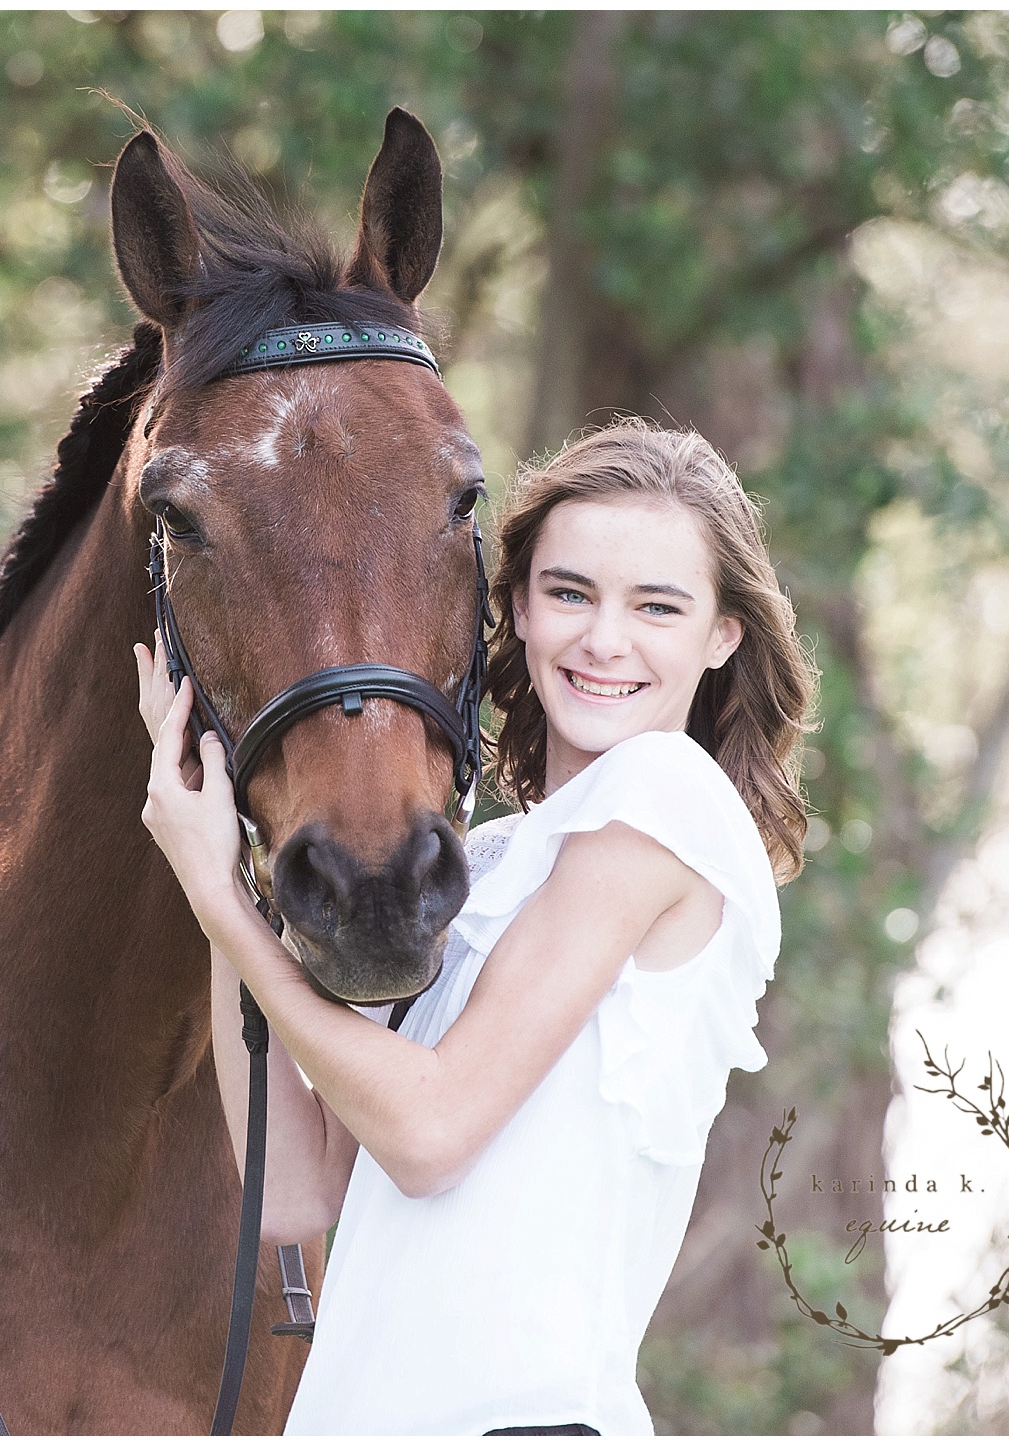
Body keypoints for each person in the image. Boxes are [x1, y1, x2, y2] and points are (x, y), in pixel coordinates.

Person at [134, 419, 817, 1435]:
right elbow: (294, 1188)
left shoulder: (666, 798)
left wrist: (217, 902)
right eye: (569, 593)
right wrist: (231, 845)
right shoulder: (495, 858)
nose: (604, 640)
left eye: (656, 606)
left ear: (723, 635)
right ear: (518, 608)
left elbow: (430, 1134)